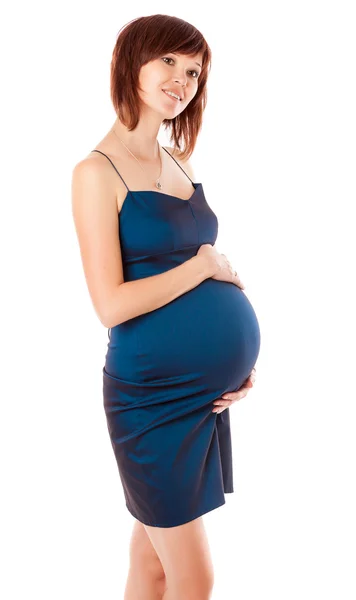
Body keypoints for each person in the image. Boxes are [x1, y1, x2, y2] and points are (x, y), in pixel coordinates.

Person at [71, 14, 261, 600]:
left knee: (152, 564)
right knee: (194, 576)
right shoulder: (95, 174)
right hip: (150, 397)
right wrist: (203, 269)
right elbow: (110, 304)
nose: (183, 79)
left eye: (195, 70)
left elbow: (188, 268)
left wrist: (235, 364)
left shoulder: (181, 162)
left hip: (199, 395)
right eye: (170, 62)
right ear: (132, 62)